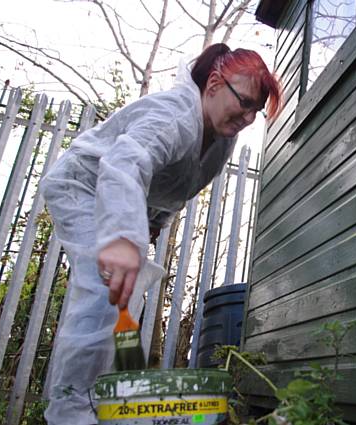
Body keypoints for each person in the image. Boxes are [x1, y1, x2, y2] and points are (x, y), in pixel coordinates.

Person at [39, 43, 281, 425]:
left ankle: (103, 404)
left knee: (123, 299)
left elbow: (176, 190)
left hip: (118, 199)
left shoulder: (221, 140)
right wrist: (121, 236)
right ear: (214, 83)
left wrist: (151, 225)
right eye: (246, 102)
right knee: (103, 290)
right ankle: (69, 412)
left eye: (256, 110)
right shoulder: (172, 115)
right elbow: (123, 165)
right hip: (82, 186)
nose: (249, 116)